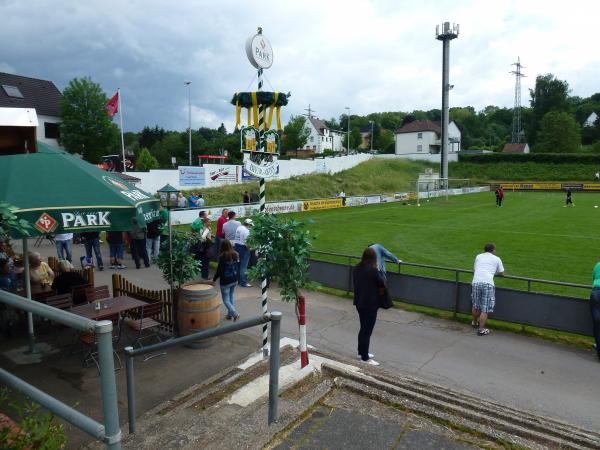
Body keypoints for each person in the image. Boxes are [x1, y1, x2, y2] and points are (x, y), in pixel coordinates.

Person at [353, 247, 385, 366]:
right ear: (373, 258)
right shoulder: (372, 270)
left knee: (363, 328)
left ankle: (361, 352)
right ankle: (365, 358)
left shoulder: (357, 268)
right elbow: (382, 282)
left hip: (360, 303)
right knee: (367, 330)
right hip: (370, 304)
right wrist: (378, 269)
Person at [471, 243, 505, 336]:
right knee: (485, 308)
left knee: (475, 305)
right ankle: (481, 329)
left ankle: (474, 322)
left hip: (476, 282)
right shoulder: (497, 258)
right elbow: (502, 273)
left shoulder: (478, 256)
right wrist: (494, 273)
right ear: (493, 250)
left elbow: (475, 269)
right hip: (487, 283)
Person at [213, 239, 240, 321]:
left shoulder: (222, 256)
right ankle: (229, 315)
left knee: (225, 299)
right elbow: (237, 267)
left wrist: (214, 279)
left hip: (225, 281)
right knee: (230, 296)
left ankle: (235, 313)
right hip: (234, 279)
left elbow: (219, 270)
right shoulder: (236, 254)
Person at [234, 218, 253, 287]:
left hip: (237, 246)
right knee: (243, 267)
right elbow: (247, 243)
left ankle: (238, 280)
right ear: (248, 224)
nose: (251, 227)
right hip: (243, 248)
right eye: (250, 225)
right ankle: (243, 282)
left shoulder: (239, 227)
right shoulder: (246, 231)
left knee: (238, 265)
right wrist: (250, 248)